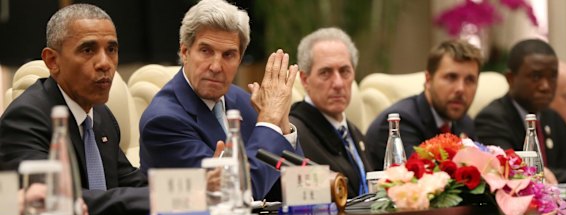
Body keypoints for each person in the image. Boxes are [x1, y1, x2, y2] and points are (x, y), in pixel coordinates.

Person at [139, 0, 301, 201]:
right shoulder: (163, 121)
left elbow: (297, 188)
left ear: (240, 59)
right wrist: (269, 122)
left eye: (228, 55)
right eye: (206, 51)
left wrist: (282, 124)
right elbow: (236, 193)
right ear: (185, 52)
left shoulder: (242, 101)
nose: (216, 66)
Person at [0, 4, 149, 215]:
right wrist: (151, 198)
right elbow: (53, 199)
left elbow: (129, 181)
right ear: (52, 61)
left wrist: (191, 188)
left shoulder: (101, 114)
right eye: (88, 50)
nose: (104, 63)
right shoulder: (25, 118)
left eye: (111, 49)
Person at [475, 39, 566, 183]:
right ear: (511, 79)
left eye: (552, 77)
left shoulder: (552, 117)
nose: (546, 86)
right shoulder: (492, 119)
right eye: (536, 77)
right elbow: (514, 172)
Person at [365, 39, 481, 170]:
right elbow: (419, 180)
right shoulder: (400, 123)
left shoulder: (465, 123)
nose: (461, 89)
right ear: (428, 80)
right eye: (451, 77)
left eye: (470, 80)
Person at [289, 27, 372, 198]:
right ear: (305, 80)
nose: (338, 83)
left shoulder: (354, 132)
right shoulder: (293, 135)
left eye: (344, 71)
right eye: (325, 73)